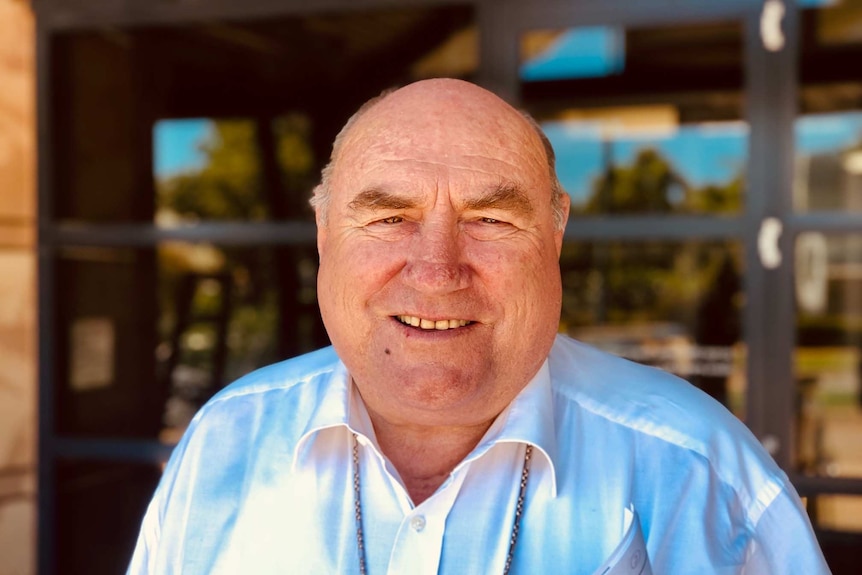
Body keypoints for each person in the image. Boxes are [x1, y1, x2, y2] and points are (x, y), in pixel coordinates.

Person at [127, 78, 830, 574]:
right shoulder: (223, 442)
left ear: (553, 236)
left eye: (490, 219)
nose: (436, 270)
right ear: (323, 234)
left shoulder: (705, 476)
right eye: (387, 216)